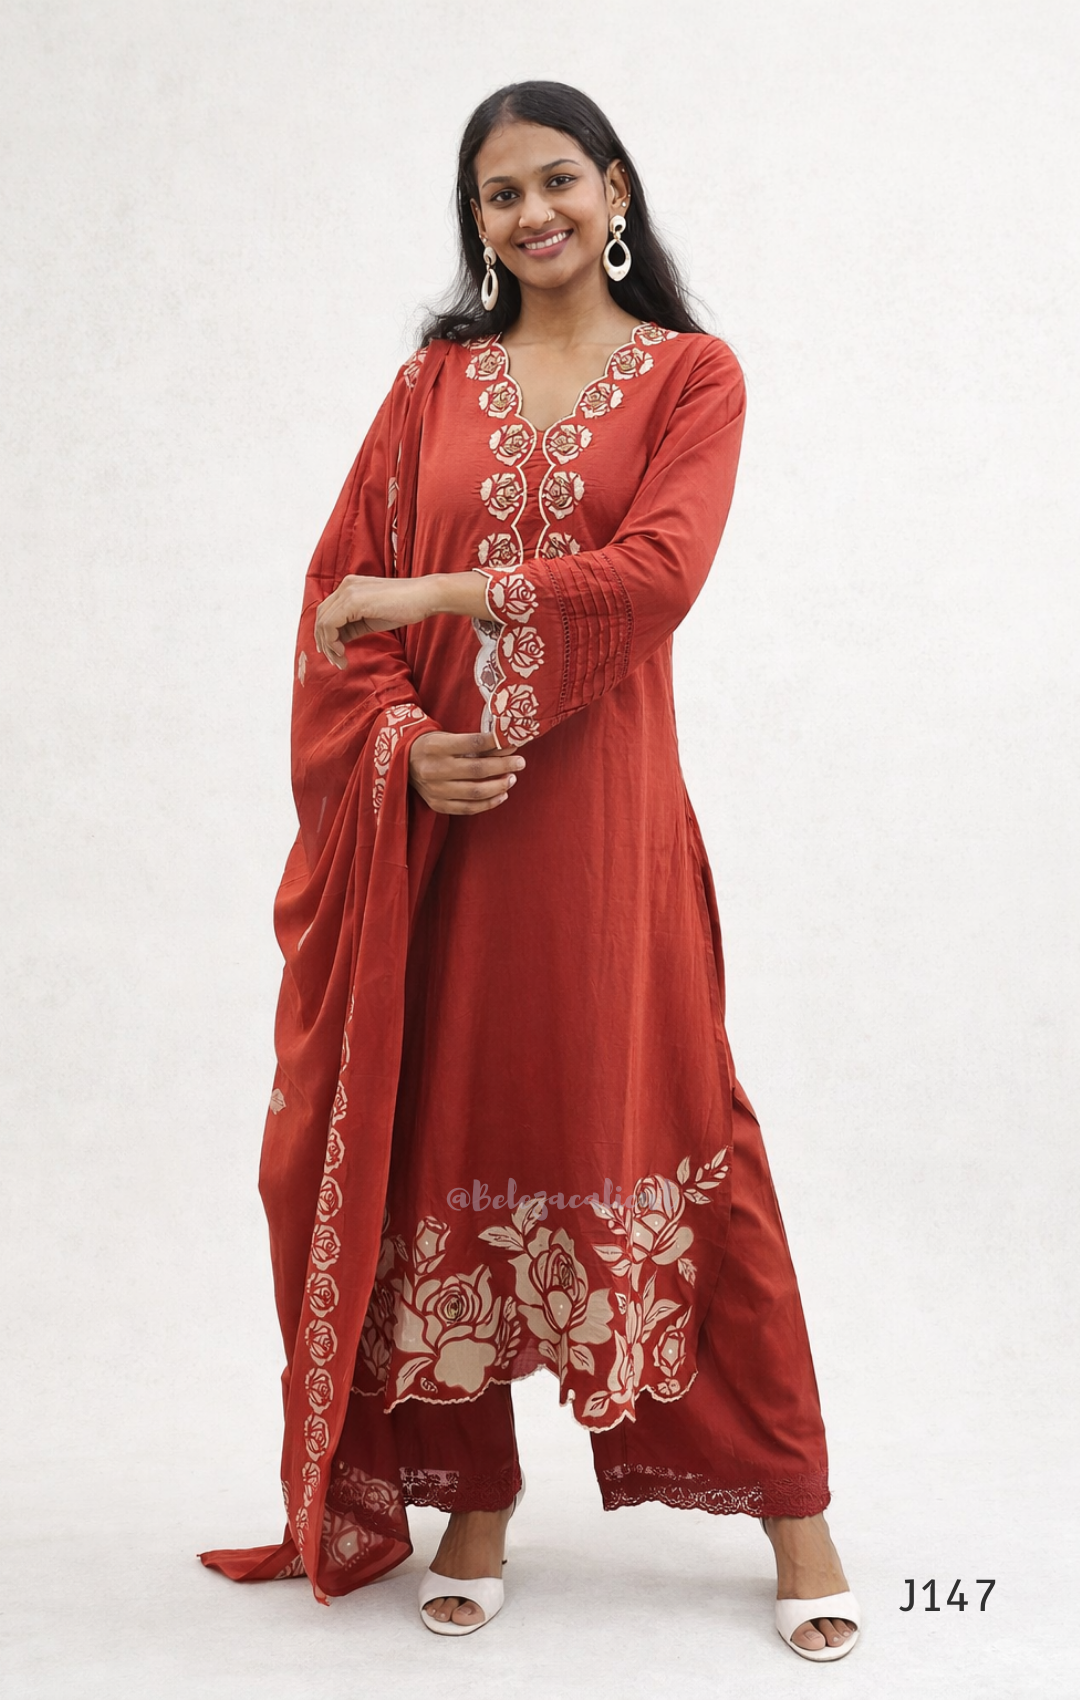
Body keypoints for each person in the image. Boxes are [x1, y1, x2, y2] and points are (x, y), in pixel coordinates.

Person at [199, 80, 861, 1663]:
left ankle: (797, 1508)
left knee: (684, 1124)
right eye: (497, 196)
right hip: (451, 842)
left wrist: (431, 588)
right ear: (476, 222)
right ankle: (475, 1503)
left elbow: (656, 574)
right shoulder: (432, 387)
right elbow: (329, 617)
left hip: (609, 838)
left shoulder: (696, 377)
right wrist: (410, 751)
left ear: (615, 186)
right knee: (455, 1129)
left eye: (555, 181)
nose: (530, 215)